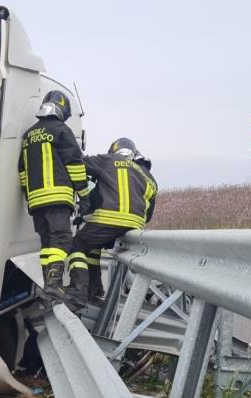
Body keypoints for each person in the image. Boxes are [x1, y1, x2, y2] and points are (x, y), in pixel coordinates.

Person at [64, 138, 157, 308]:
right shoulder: (147, 175)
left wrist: (70, 146)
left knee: (77, 246)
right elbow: (148, 213)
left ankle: (78, 292)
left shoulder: (109, 160)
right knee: (92, 247)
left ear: (114, 150)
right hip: (134, 225)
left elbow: (81, 162)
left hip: (109, 219)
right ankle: (95, 289)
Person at [18, 90, 89, 297]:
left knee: (47, 244)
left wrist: (29, 195)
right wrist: (84, 196)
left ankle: (49, 286)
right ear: (62, 109)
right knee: (62, 239)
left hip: (36, 201)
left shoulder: (28, 135)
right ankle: (53, 284)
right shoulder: (61, 131)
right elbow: (75, 165)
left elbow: (22, 171)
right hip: (57, 197)